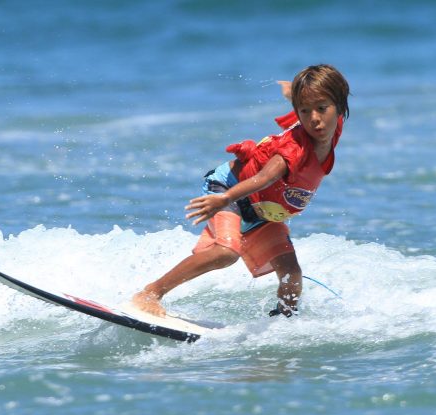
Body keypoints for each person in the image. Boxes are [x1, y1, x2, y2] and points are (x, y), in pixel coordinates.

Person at [132, 64, 350, 318]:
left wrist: (295, 93)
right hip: (230, 189)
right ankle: (151, 293)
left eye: (322, 108)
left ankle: (284, 321)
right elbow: (265, 178)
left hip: (261, 214)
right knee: (226, 253)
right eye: (304, 110)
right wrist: (223, 198)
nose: (314, 118)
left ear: (339, 105)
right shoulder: (293, 150)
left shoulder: (331, 129)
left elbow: (316, 104)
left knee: (292, 276)